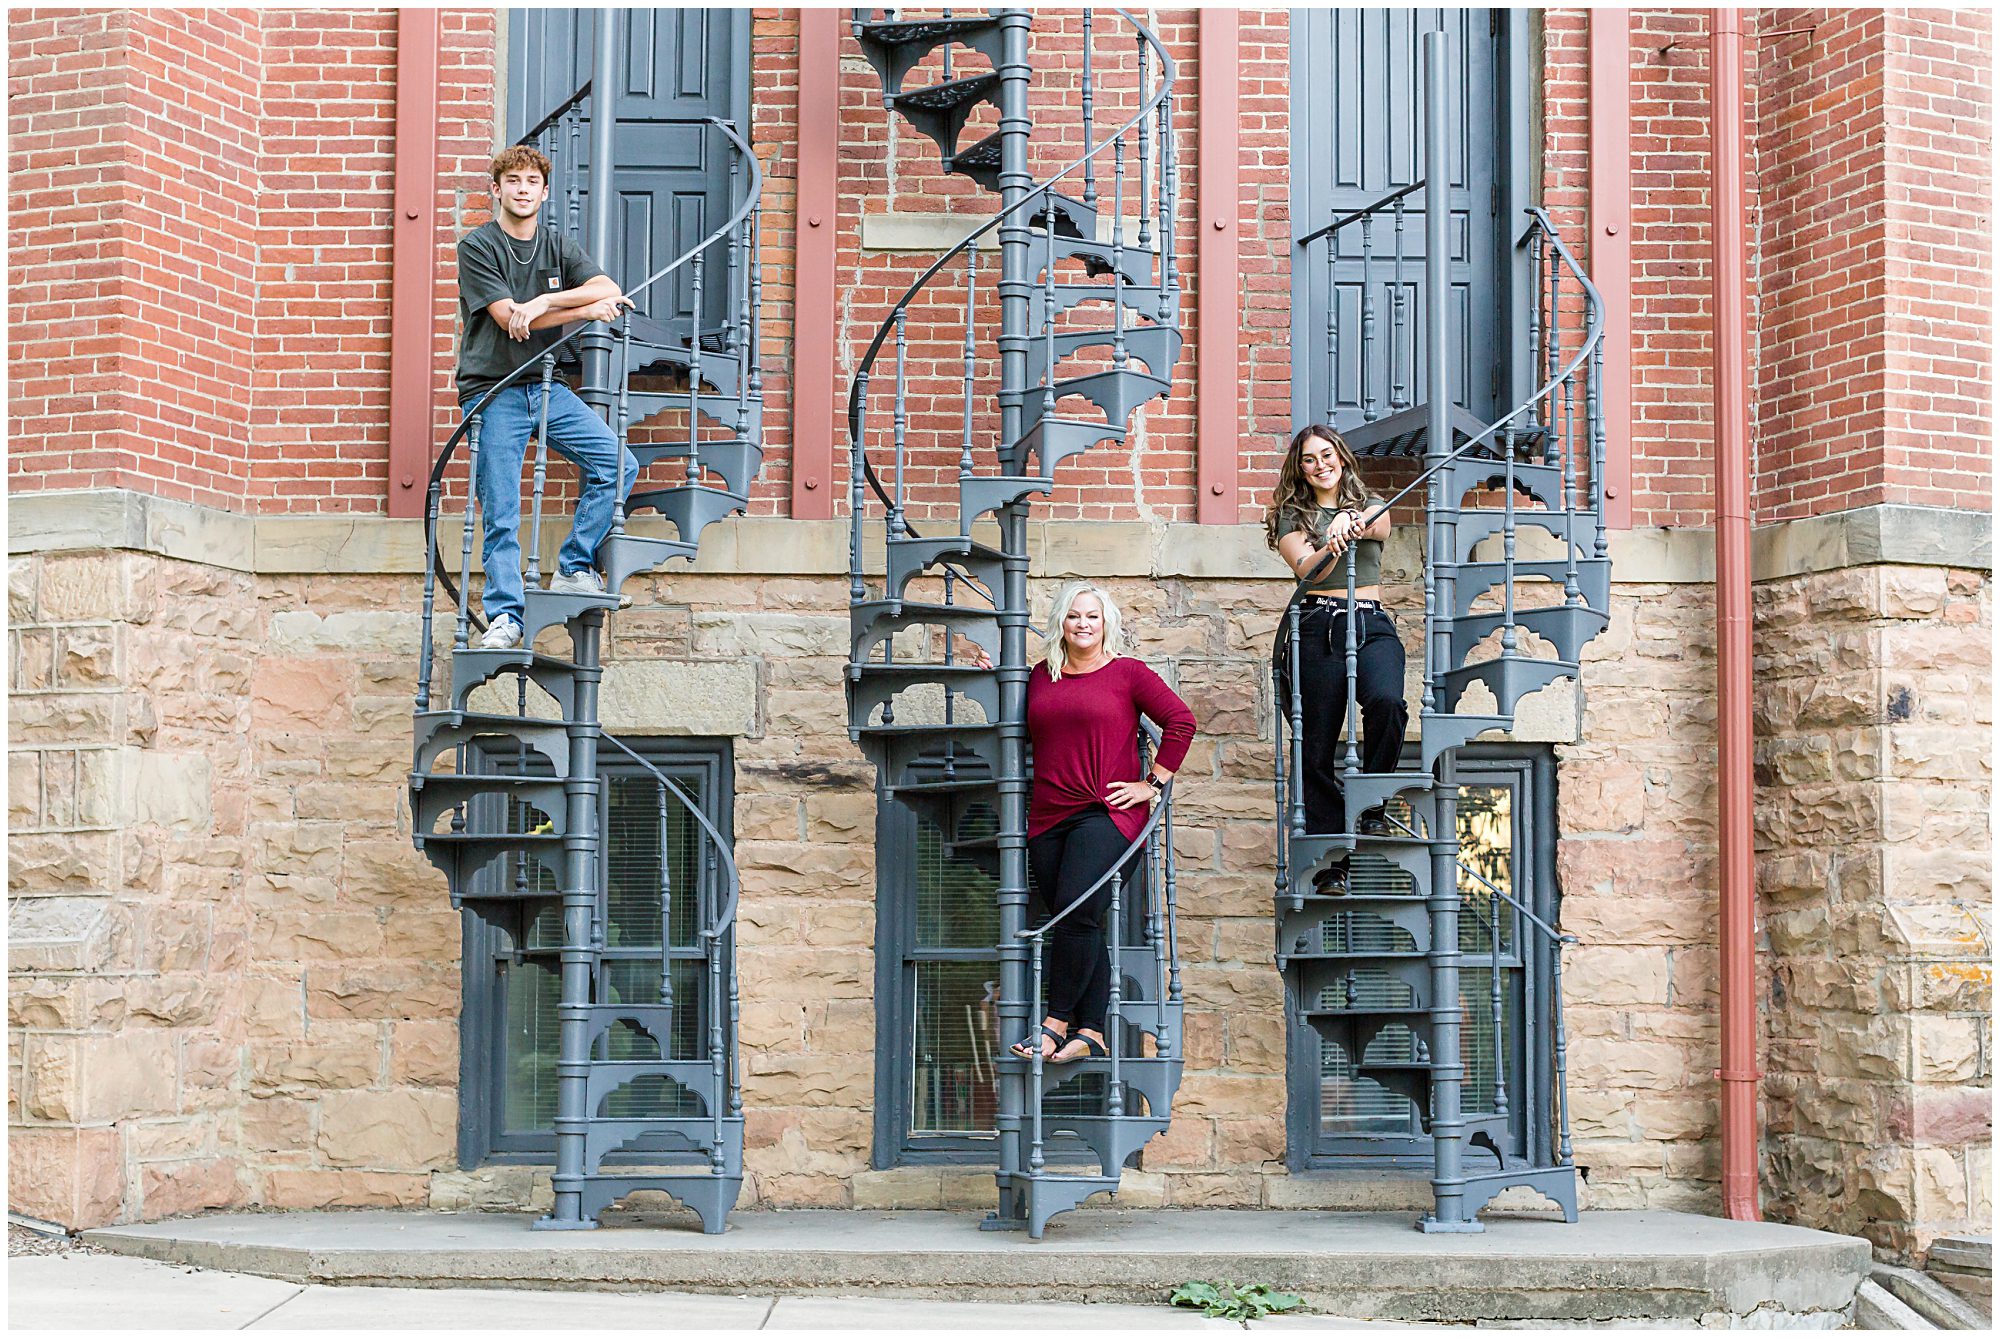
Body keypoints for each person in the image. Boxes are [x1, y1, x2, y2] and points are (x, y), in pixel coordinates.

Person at [456, 145, 638, 651]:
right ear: (496, 189)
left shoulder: (557, 246)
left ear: (542, 191)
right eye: (511, 180)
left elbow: (607, 284)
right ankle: (505, 617)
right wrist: (585, 309)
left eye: (531, 181)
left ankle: (575, 565)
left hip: (546, 386)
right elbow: (508, 321)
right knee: (501, 509)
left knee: (617, 463)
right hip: (493, 392)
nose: (521, 188)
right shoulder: (478, 246)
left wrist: (545, 300)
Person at [1009, 583, 1197, 1065]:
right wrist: (994, 679)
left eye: (1092, 616)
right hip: (1049, 816)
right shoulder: (1039, 676)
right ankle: (1092, 1030)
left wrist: (1150, 784)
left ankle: (1054, 1022)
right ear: (1061, 624)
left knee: (1073, 911)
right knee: (1081, 920)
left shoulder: (1127, 674)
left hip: (1107, 812)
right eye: (1074, 616)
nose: (1083, 624)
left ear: (1106, 621)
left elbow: (1180, 722)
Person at [1267, 424, 1409, 890]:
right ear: (1301, 470)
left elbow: (1380, 525)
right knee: (1317, 744)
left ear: (1342, 458)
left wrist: (1352, 521)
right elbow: (1306, 568)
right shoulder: (1291, 515)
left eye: (1327, 455)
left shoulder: (1369, 501)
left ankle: (1372, 805)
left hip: (1372, 621)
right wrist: (1331, 540)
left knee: (1388, 703)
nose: (1321, 464)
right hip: (1318, 623)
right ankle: (1333, 866)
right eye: (1309, 459)